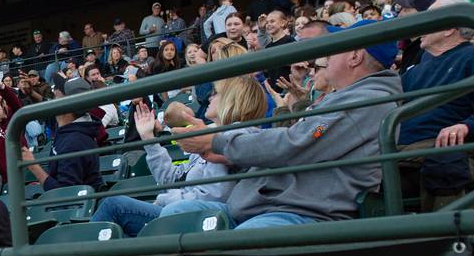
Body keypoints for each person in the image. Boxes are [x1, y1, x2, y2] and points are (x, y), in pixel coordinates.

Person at [172, 20, 402, 228]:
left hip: (303, 212)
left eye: (337, 46)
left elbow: (298, 141)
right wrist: (227, 153)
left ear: (355, 56)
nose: (327, 54)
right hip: (266, 205)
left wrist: (217, 140)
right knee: (177, 215)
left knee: (229, 248)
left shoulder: (365, 101)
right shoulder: (347, 97)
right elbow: (305, 140)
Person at [91, 80, 266, 236]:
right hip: (180, 212)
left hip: (194, 218)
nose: (209, 96)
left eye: (216, 93)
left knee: (113, 206)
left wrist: (164, 199)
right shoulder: (213, 134)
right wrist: (149, 139)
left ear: (232, 100)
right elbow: (173, 179)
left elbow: (213, 196)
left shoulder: (236, 136)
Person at [396, 19, 474, 206]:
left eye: (428, 20)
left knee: (444, 163)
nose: (419, 26)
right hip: (399, 151)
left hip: (443, 148)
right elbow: (320, 132)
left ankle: (450, 234)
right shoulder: (411, 73)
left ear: (449, 28)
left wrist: (467, 126)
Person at [19, 78, 106, 190]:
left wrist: (33, 166)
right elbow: (47, 107)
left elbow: (64, 194)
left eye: (57, 94)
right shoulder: (67, 124)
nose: (54, 93)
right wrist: (31, 93)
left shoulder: (75, 142)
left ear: (68, 106)